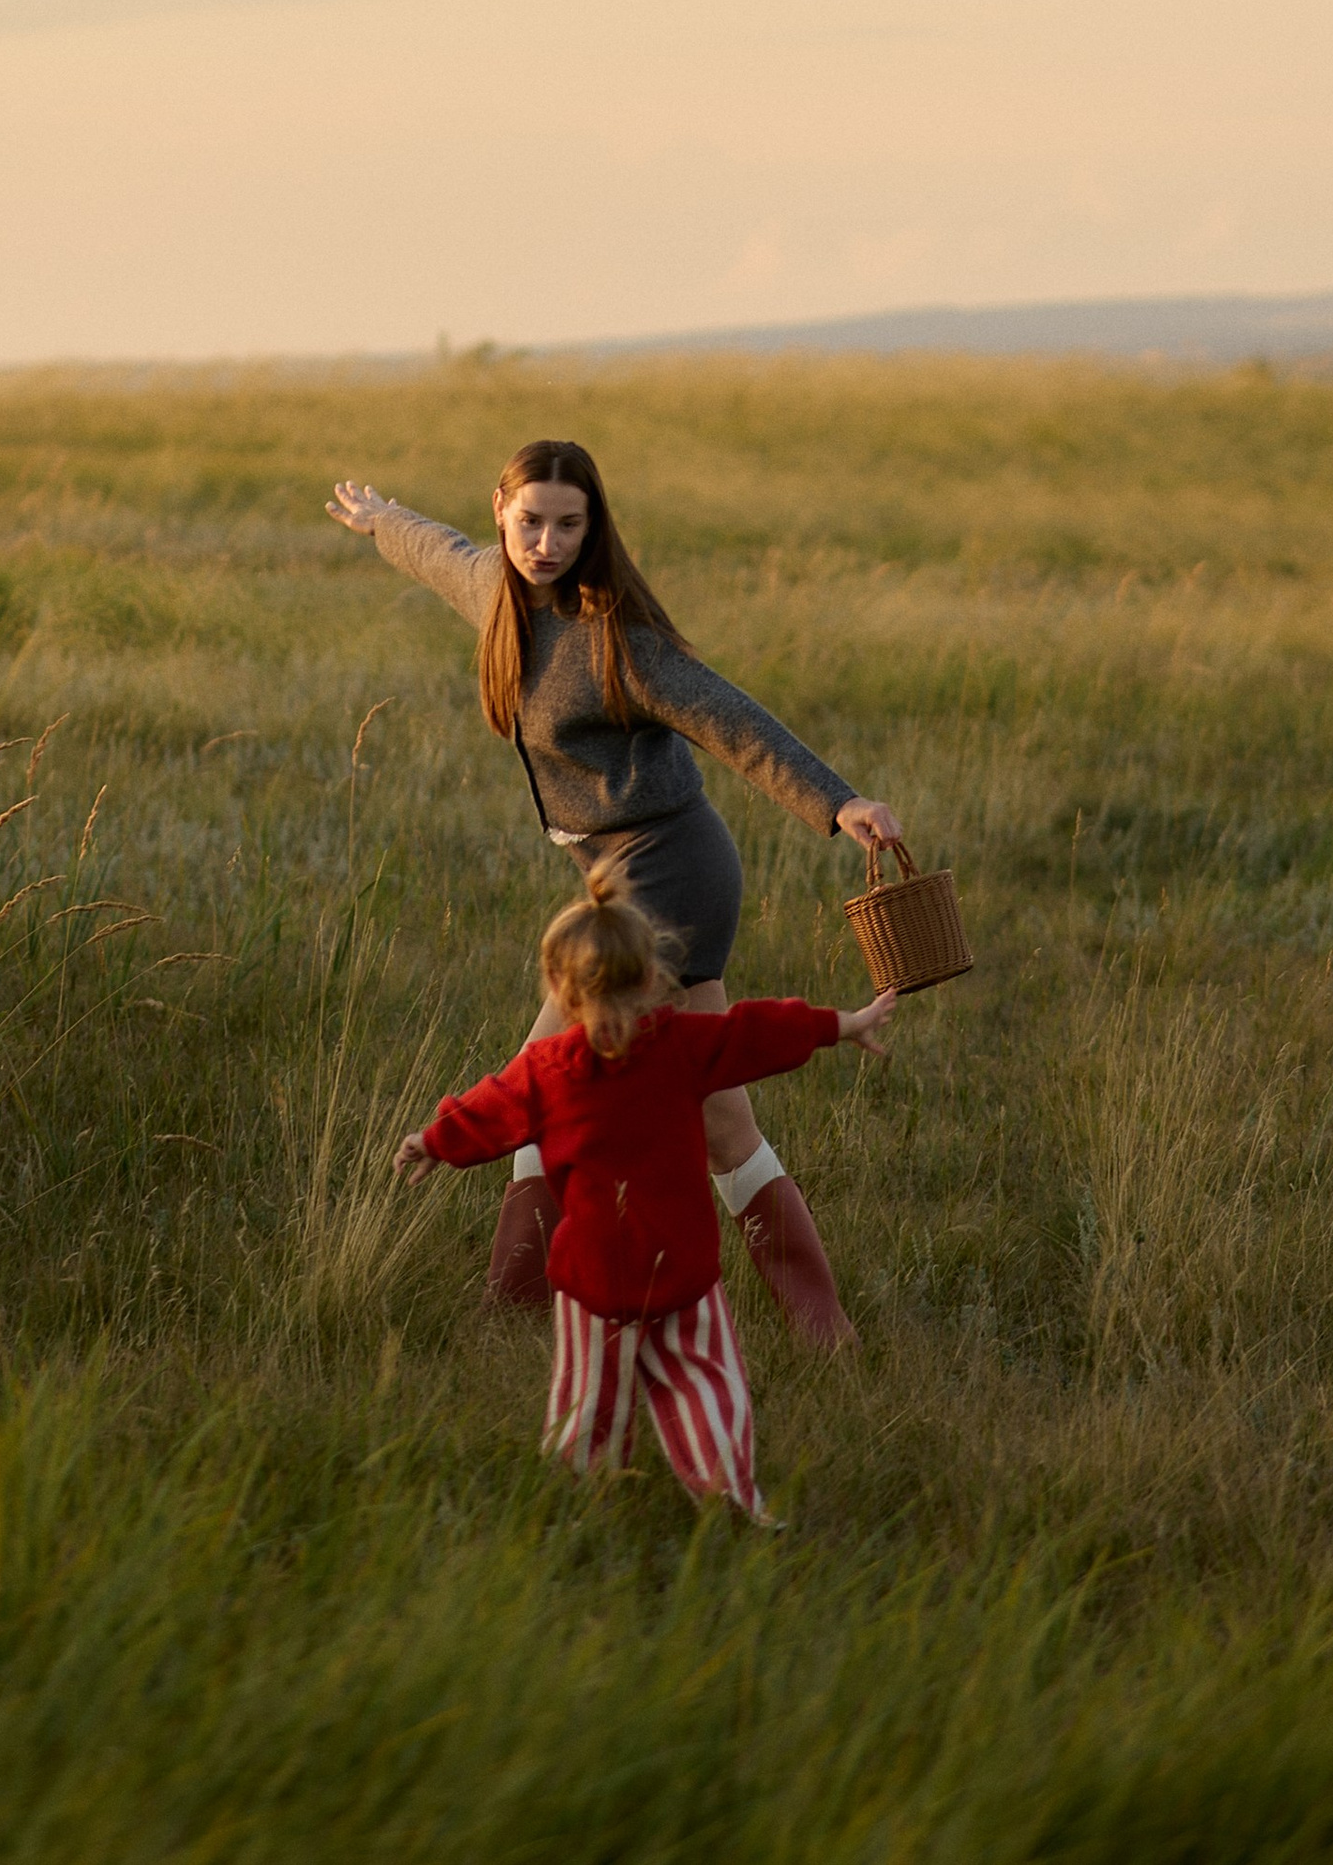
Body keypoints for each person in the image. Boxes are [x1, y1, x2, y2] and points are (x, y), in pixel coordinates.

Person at [326, 435, 907, 1344]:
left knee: (543, 1076)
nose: (547, 542)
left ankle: (509, 1302)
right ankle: (823, 1329)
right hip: (614, 877)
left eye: (569, 524)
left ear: (593, 527)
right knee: (719, 1118)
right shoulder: (493, 592)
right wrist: (379, 521)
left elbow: (731, 719)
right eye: (531, 522)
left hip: (669, 874)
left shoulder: (617, 639)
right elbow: (432, 549)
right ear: (501, 513)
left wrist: (839, 804)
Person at [396, 866, 901, 1520]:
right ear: (654, 981)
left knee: (621, 1402)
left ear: (559, 991)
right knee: (673, 1394)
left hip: (631, 1283)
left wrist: (434, 1142)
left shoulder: (570, 1066)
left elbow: (492, 1108)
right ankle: (687, 1501)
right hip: (646, 1279)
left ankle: (653, 1503)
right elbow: (755, 1033)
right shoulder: (670, 1047)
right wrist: (845, 1022)